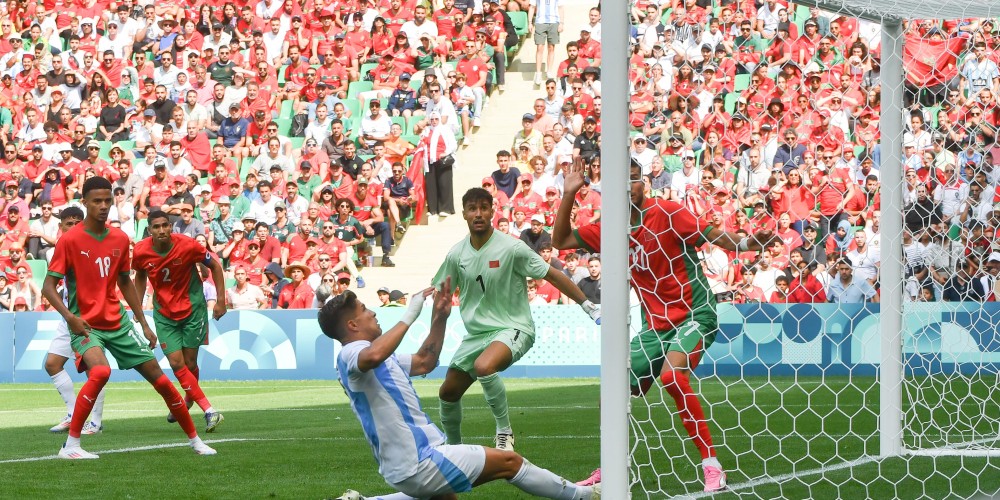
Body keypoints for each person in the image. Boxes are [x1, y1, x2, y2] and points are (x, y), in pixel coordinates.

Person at [551, 163, 774, 492]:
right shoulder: (611, 228)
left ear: (645, 184)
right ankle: (610, 466)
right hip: (655, 327)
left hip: (695, 314)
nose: (628, 184)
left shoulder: (668, 212)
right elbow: (561, 239)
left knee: (672, 376)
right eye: (620, 178)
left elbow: (715, 235)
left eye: (633, 177)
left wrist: (749, 242)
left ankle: (712, 465)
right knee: (610, 391)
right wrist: (569, 192)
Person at [322, 283, 601, 500]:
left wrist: (440, 317)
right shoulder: (351, 353)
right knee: (508, 461)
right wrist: (410, 313)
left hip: (410, 460)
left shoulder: (378, 355)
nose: (372, 311)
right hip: (417, 459)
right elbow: (372, 356)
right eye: (364, 309)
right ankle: (586, 495)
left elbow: (424, 361)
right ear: (353, 325)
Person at [42, 177, 216, 459]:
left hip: (118, 321)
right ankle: (71, 446)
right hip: (85, 324)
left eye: (107, 201)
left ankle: (195, 440)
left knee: (160, 380)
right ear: (84, 202)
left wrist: (143, 323)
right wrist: (69, 317)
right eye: (96, 201)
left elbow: (125, 282)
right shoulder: (70, 240)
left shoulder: (121, 239)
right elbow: (48, 287)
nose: (102, 206)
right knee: (99, 372)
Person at [433, 188, 599, 453]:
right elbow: (440, 298)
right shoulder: (456, 254)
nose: (478, 213)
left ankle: (504, 432)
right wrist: (433, 342)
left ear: (492, 211)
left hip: (514, 326)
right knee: (447, 393)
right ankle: (453, 450)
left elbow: (552, 275)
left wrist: (587, 305)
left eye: (484, 208)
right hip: (477, 335)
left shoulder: (512, 247)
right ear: (463, 213)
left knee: (485, 366)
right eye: (472, 208)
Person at [133, 211, 227, 432]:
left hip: (193, 310)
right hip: (164, 314)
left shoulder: (187, 245)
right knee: (176, 364)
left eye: (165, 225)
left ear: (171, 227)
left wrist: (220, 301)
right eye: (157, 227)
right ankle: (210, 410)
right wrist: (137, 309)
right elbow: (139, 276)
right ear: (149, 231)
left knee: (190, 363)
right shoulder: (141, 251)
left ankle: (189, 398)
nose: (162, 230)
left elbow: (214, 265)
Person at [43, 207, 106, 435]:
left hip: (90, 317)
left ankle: (96, 422)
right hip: (69, 317)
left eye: (77, 222)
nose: (73, 227)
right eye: (68, 224)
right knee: (52, 364)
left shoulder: (93, 247)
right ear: (61, 227)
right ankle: (72, 413)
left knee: (94, 370)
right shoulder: (58, 250)